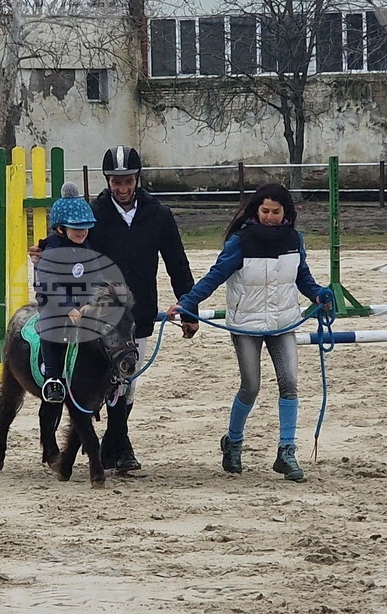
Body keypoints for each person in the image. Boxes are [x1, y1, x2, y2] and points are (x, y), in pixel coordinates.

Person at [166, 183, 327, 483]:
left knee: (289, 385)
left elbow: (303, 278)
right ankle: (233, 442)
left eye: (275, 212)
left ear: (286, 212)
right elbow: (215, 276)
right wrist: (187, 303)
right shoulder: (240, 242)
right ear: (256, 210)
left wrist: (319, 295)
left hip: (283, 323)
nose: (269, 217)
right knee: (250, 386)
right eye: (264, 211)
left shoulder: (295, 240)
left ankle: (286, 451)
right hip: (245, 325)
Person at [86, 145, 199, 472]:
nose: (123, 188)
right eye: (116, 182)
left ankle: (115, 443)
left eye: (128, 181)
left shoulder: (159, 216)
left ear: (138, 179)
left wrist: (189, 309)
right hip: (104, 311)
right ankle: (120, 445)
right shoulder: (94, 215)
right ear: (108, 180)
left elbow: (177, 263)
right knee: (111, 377)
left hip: (142, 310)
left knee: (128, 379)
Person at [34, 182, 98, 404]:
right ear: (61, 228)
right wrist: (68, 307)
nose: (82, 232)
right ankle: (53, 378)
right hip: (54, 305)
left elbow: (94, 275)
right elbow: (50, 283)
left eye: (85, 227)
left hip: (82, 305)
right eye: (76, 228)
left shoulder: (87, 247)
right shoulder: (52, 250)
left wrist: (92, 301)